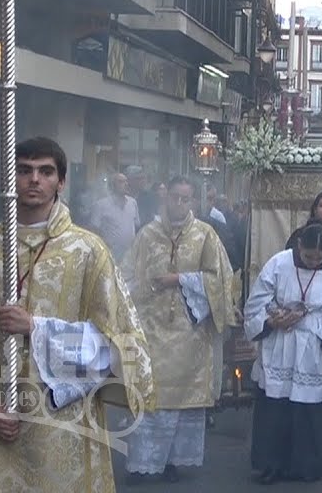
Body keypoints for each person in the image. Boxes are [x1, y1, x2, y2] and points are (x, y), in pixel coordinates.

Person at [0, 137, 155, 492]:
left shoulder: (88, 252)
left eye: (45, 171)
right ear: (10, 179)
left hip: (59, 423)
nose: (34, 180)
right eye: (24, 171)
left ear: (62, 181)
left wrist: (37, 328)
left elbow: (112, 342)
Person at [122, 176, 237, 484]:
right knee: (152, 395)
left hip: (189, 331)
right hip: (152, 328)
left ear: (194, 202)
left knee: (182, 399)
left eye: (186, 199)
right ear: (165, 198)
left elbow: (221, 280)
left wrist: (180, 280)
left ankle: (173, 460)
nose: (180, 204)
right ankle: (145, 461)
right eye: (175, 198)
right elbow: (127, 272)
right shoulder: (147, 234)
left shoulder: (205, 235)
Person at [246, 223, 322, 484]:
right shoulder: (278, 263)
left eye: (319, 258)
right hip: (281, 344)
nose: (313, 262)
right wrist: (272, 320)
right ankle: (271, 465)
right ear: (299, 247)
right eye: (308, 256)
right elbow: (256, 303)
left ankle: (308, 465)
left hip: (317, 346)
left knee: (311, 411)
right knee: (276, 408)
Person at [87, 172, 139, 263]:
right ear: (112, 185)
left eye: (126, 181)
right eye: (121, 182)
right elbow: (93, 231)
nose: (126, 184)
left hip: (129, 257)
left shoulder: (133, 203)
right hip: (109, 256)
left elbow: (136, 225)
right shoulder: (101, 205)